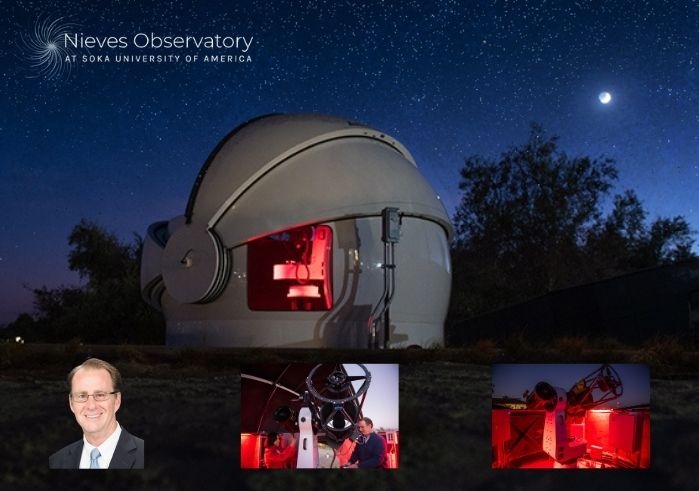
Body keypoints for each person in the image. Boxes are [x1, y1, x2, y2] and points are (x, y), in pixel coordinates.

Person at [49, 357, 144, 469]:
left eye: (100, 395)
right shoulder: (57, 462)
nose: (91, 406)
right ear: (71, 403)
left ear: (117, 400)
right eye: (82, 396)